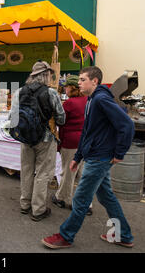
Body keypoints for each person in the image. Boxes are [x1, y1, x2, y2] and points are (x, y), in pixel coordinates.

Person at [42, 66, 135, 249]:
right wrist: (78, 156)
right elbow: (88, 132)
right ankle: (124, 235)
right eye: (79, 80)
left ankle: (66, 236)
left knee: (81, 199)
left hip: (99, 157)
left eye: (83, 79)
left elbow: (127, 125)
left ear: (95, 81)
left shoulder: (100, 99)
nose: (79, 83)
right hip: (94, 154)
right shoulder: (92, 99)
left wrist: (119, 153)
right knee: (106, 197)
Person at [14, 60, 65, 222]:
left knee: (27, 170)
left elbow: (12, 118)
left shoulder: (20, 92)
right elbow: (61, 118)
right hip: (46, 138)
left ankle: (25, 204)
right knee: (43, 173)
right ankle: (38, 209)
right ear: (46, 75)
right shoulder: (51, 93)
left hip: (25, 138)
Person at [51, 75, 92, 215]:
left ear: (72, 88)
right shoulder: (88, 100)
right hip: (86, 141)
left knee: (69, 172)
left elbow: (61, 122)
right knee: (83, 174)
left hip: (71, 141)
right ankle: (86, 203)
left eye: (66, 86)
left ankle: (64, 199)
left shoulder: (69, 104)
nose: (64, 88)